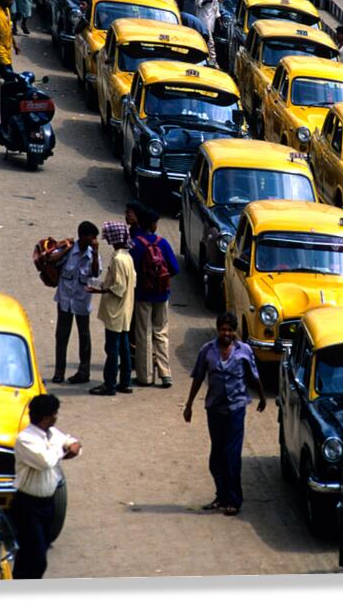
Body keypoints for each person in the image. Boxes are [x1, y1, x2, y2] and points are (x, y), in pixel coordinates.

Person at [183, 312, 266, 516]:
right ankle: (221, 495)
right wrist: (189, 404)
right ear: (217, 329)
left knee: (232, 456)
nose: (226, 333)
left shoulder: (244, 351)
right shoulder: (207, 350)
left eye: (229, 330)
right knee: (216, 456)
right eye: (222, 329)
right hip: (215, 409)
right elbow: (198, 377)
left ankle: (233, 500)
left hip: (236, 409)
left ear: (234, 331)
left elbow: (254, 376)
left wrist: (262, 398)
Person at [11, 394, 80, 579]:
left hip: (48, 504)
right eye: (55, 414)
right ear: (46, 418)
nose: (57, 417)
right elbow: (46, 461)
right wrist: (62, 449)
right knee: (37, 559)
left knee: (29, 554)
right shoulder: (26, 439)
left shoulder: (52, 433)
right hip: (28, 506)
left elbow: (72, 443)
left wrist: (72, 445)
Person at [126, 202, 179, 388]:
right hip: (162, 295)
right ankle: (166, 374)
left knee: (144, 334)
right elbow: (175, 268)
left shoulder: (136, 245)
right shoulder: (162, 243)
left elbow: (131, 270)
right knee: (161, 333)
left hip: (142, 295)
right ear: (153, 224)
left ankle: (145, 376)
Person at [87, 222, 137, 396]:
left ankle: (109, 384)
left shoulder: (118, 259)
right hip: (125, 310)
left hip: (115, 311)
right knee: (124, 347)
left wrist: (99, 290)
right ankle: (125, 382)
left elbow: (119, 287)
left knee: (112, 349)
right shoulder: (127, 257)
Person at [52, 221, 101, 385]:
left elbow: (95, 273)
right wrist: (60, 251)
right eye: (92, 237)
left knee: (84, 336)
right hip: (65, 299)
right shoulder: (68, 250)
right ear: (83, 236)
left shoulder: (92, 254)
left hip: (82, 301)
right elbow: (52, 260)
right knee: (62, 335)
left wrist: (95, 253)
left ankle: (84, 372)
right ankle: (59, 372)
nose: (94, 240)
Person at [196, 0, 221, 66]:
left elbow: (216, 8)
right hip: (203, 21)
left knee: (206, 42)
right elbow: (198, 4)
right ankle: (213, 61)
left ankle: (205, 60)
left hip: (211, 22)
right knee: (210, 43)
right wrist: (207, 1)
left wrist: (219, 20)